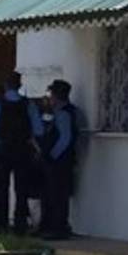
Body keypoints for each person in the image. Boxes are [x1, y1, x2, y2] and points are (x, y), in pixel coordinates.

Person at [0, 71, 43, 234]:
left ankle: (0, 225)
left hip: (3, 148)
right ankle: (20, 225)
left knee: (0, 187)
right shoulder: (28, 105)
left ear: (5, 86)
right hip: (23, 149)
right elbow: (38, 130)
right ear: (20, 85)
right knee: (21, 188)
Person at [39, 79, 78, 240]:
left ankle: (58, 227)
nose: (50, 98)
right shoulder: (61, 111)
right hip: (62, 160)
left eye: (52, 94)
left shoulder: (63, 113)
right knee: (53, 193)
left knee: (57, 195)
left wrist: (51, 156)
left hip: (59, 161)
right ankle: (51, 226)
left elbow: (65, 138)